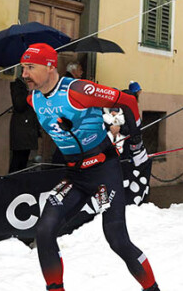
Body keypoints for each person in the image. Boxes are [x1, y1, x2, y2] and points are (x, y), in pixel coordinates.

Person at [19, 43, 158, 291]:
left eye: (30, 67)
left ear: (50, 67)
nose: (24, 74)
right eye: (22, 68)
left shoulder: (79, 90)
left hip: (104, 171)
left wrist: (137, 145)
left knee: (117, 239)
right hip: (75, 175)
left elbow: (127, 101)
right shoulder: (34, 98)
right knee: (45, 230)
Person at [9, 77, 40, 173]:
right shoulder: (18, 86)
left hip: (29, 127)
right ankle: (13, 179)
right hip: (21, 127)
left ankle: (19, 178)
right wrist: (30, 91)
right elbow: (19, 105)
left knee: (24, 159)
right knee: (18, 159)